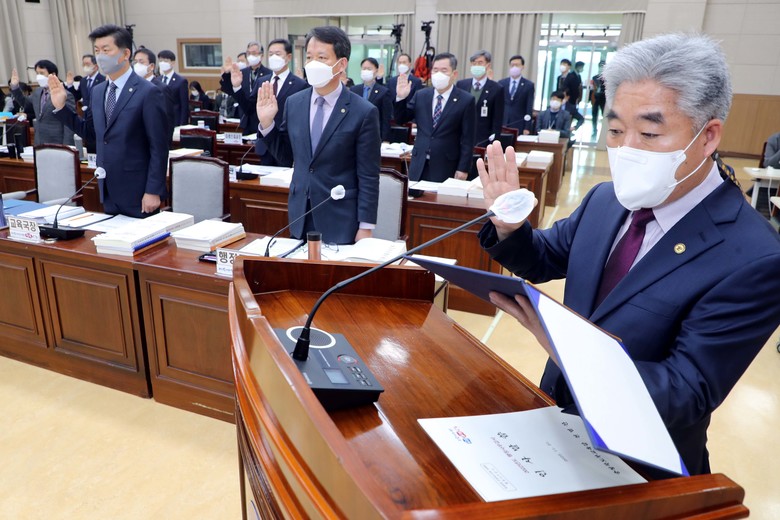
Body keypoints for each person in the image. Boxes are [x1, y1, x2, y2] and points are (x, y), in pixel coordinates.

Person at [477, 33, 780, 477]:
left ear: (708, 136)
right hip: (558, 424)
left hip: (640, 465)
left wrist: (568, 350)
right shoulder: (606, 199)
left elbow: (685, 392)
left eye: (650, 133)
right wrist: (509, 224)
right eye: (616, 130)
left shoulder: (755, 256)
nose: (627, 149)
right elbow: (542, 259)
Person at [255, 25, 380, 245]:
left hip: (340, 217)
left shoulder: (363, 111)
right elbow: (286, 156)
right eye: (309, 57)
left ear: (341, 64)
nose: (313, 64)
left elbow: (368, 175)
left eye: (321, 58)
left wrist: (366, 227)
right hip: (300, 213)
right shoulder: (294, 103)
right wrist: (267, 124)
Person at [51, 24, 169, 218]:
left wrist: (153, 190)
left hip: (139, 190)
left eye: (106, 50)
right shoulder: (97, 91)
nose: (100, 56)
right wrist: (62, 108)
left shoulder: (148, 92)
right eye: (97, 51)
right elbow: (91, 133)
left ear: (125, 54)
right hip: (108, 187)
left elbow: (159, 146)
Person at [393, 52, 475, 182]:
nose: (439, 74)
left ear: (454, 74)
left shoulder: (466, 100)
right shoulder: (421, 95)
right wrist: (401, 98)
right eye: (435, 70)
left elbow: (468, 138)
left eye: (444, 70)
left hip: (447, 164)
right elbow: (401, 119)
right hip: (419, 163)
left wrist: (463, 168)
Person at [234, 38, 306, 165]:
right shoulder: (262, 81)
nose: (273, 57)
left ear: (288, 57)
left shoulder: (300, 84)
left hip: (288, 147)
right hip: (265, 146)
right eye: (271, 54)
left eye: (278, 54)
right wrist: (237, 88)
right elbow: (249, 109)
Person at [9, 60, 75, 146]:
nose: (38, 76)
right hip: (39, 141)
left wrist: (68, 146)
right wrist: (15, 87)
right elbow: (25, 104)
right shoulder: (38, 92)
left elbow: (69, 124)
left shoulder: (65, 95)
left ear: (53, 74)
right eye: (37, 73)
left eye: (42, 73)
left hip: (58, 141)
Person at [220, 41, 271, 135]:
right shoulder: (242, 72)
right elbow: (229, 90)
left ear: (261, 55)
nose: (251, 56)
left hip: (261, 120)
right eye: (248, 53)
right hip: (245, 120)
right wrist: (226, 74)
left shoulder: (269, 73)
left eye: (254, 53)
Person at [456, 50, 504, 148]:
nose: (476, 66)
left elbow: (497, 120)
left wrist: (493, 143)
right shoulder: (461, 85)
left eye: (480, 63)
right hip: (461, 137)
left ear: (488, 65)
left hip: (483, 139)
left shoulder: (497, 88)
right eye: (474, 63)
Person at [133, 47, 176, 140]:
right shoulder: (132, 87)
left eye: (141, 62)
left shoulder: (161, 88)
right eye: (135, 62)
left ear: (151, 66)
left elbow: (167, 121)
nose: (137, 65)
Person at [351, 57, 392, 141]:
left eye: (369, 69)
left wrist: (385, 139)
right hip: (355, 134)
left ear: (376, 71)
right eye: (364, 68)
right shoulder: (354, 90)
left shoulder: (383, 92)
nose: (366, 71)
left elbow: (386, 118)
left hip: (374, 135)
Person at [498, 54, 535, 135]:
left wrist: (527, 127)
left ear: (522, 67)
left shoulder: (528, 85)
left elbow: (529, 107)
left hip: (519, 123)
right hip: (503, 123)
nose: (514, 67)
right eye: (512, 65)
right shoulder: (501, 83)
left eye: (517, 65)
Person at [157, 50, 189, 125]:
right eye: (160, 61)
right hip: (160, 119)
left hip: (175, 120)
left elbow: (184, 105)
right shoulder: (157, 80)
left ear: (173, 63)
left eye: (165, 61)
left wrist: (182, 124)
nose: (162, 63)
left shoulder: (181, 81)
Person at [556, 58, 583, 130]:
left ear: (569, 67)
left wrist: (569, 99)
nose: (562, 66)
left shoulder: (573, 77)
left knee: (567, 120)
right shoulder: (559, 78)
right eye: (561, 64)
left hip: (570, 102)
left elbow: (575, 91)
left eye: (565, 64)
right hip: (560, 101)